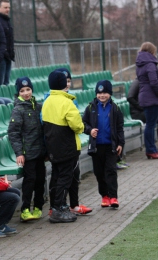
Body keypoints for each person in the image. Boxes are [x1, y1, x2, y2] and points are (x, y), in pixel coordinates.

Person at [44, 68, 92, 216]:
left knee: (57, 176)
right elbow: (77, 125)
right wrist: (84, 127)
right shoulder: (67, 102)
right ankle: (59, 208)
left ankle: (55, 207)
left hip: (53, 146)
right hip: (67, 146)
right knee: (66, 178)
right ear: (63, 83)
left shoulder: (47, 101)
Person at [8, 77, 46, 222]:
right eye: (22, 91)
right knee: (30, 180)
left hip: (40, 152)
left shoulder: (38, 106)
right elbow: (13, 133)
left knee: (40, 180)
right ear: (18, 93)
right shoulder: (18, 110)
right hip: (28, 153)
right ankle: (25, 209)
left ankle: (38, 207)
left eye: (28, 89)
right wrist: (19, 153)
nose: (26, 93)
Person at [82, 80, 125, 209]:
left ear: (110, 94)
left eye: (105, 92)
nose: (102, 95)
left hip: (111, 146)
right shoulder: (90, 108)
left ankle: (113, 197)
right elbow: (83, 124)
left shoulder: (115, 108)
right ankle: (104, 196)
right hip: (96, 147)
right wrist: (90, 130)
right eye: (99, 93)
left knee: (111, 171)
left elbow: (119, 128)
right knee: (99, 172)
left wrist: (120, 143)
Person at [135, 42, 158, 159]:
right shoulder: (150, 64)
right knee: (150, 125)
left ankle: (151, 149)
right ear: (152, 51)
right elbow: (154, 82)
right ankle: (151, 150)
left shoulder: (140, 63)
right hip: (152, 98)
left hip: (144, 96)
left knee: (150, 124)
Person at [0, 0, 15, 86]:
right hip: (1, 57)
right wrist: (1, 54)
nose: (8, 9)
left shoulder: (7, 21)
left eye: (9, 7)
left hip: (8, 56)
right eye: (5, 7)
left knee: (6, 83)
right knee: (0, 83)